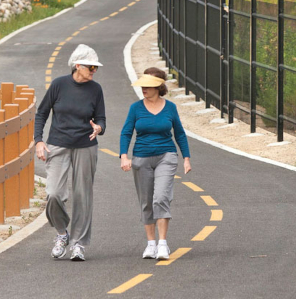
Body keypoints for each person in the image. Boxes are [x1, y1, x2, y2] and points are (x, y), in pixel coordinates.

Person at [34, 44, 106, 262]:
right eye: (90, 67)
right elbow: (41, 113)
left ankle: (79, 244)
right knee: (54, 194)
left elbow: (101, 118)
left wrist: (99, 128)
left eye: (95, 68)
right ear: (77, 66)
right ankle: (62, 233)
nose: (94, 71)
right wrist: (38, 141)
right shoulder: (59, 85)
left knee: (82, 195)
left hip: (86, 145)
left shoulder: (96, 89)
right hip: (58, 144)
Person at [120, 67, 191, 261]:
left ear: (159, 86)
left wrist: (186, 157)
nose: (144, 88)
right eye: (142, 84)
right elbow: (126, 132)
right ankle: (150, 244)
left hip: (166, 156)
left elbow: (180, 133)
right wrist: (123, 156)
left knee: (160, 197)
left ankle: (162, 244)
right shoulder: (135, 108)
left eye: (148, 85)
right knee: (146, 202)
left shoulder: (170, 108)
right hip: (141, 158)